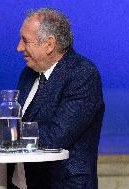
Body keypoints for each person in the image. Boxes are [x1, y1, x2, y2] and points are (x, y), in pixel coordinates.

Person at [7, 8, 105, 189]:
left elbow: (56, 136)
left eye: (25, 40)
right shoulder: (28, 73)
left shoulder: (83, 75)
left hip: (62, 184)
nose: (19, 47)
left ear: (49, 44)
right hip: (20, 182)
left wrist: (8, 135)